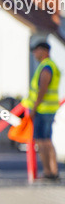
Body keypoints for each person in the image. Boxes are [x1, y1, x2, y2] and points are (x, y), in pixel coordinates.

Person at [23, 39, 60, 181]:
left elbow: (42, 89)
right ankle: (52, 172)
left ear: (44, 51)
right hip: (48, 109)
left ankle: (49, 172)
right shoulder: (50, 66)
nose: (34, 53)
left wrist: (34, 108)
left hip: (43, 110)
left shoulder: (46, 67)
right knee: (47, 140)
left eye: (36, 50)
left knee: (42, 142)